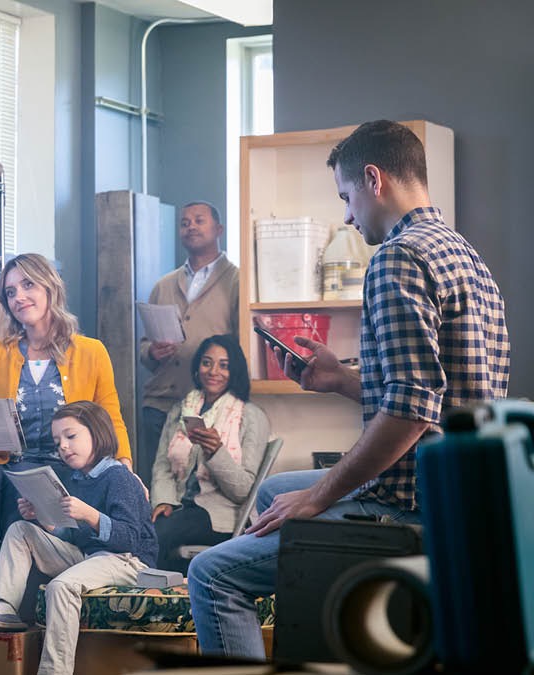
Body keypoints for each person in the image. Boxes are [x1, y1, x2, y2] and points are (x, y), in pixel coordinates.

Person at [188, 120, 510, 659]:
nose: (346, 216)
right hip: (463, 496)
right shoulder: (465, 256)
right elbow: (442, 398)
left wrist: (319, 496)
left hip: (415, 506)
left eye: (345, 197)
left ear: (373, 179)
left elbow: (412, 410)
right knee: (272, 493)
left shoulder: (397, 258)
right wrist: (341, 379)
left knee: (209, 575)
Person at [0, 253, 134, 627]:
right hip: (12, 460)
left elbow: (110, 415)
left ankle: (16, 609)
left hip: (70, 464)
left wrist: (125, 469)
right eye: (10, 292)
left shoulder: (91, 351)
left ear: (50, 288)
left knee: (27, 498)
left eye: (28, 285)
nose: (19, 297)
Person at [0, 401, 157, 675]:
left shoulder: (119, 477)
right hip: (91, 556)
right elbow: (74, 536)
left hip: (128, 561)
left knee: (61, 586)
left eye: (71, 436)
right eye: (58, 442)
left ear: (97, 433)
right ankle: (4, 607)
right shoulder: (76, 479)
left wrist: (90, 515)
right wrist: (43, 520)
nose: (63, 447)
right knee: (20, 529)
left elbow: (129, 540)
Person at [149, 334, 270, 574]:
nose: (213, 371)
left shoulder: (251, 416)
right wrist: (163, 500)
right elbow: (162, 465)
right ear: (197, 368)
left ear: (234, 371)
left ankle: (155, 593)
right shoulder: (181, 410)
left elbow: (244, 491)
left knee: (157, 535)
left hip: (221, 515)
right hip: (180, 506)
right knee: (140, 529)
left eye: (224, 365)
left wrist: (216, 452)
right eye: (207, 363)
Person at [138, 201, 239, 486]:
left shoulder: (238, 281)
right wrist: (152, 352)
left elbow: (242, 345)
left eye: (199, 220)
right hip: (160, 403)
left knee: (202, 488)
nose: (191, 226)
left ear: (219, 229)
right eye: (184, 223)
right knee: (160, 488)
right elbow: (144, 347)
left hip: (212, 406)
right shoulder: (163, 285)